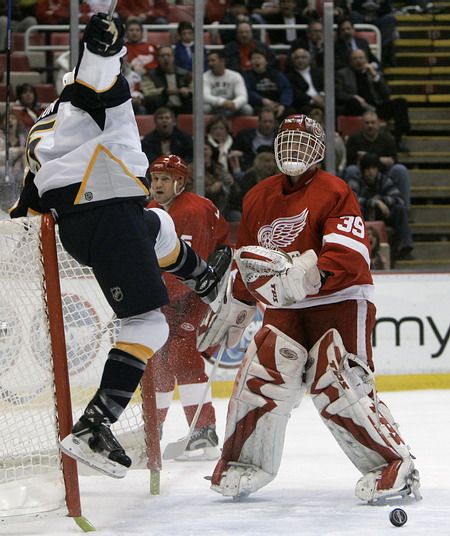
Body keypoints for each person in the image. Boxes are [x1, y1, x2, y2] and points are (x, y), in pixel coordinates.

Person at [9, 12, 231, 478]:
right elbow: (97, 71)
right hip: (106, 206)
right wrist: (100, 40)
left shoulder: (44, 128)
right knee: (149, 326)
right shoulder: (91, 96)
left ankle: (204, 280)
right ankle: (94, 425)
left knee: (159, 224)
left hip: (87, 223)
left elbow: (26, 207)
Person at [197, 113, 421, 503]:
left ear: (320, 151)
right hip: (285, 306)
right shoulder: (258, 195)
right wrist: (238, 301)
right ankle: (245, 462)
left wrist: (309, 275)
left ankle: (394, 465)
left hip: (340, 298)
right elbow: (250, 260)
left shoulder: (335, 191)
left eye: (304, 142)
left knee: (339, 383)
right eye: (287, 141)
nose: (294, 150)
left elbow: (351, 255)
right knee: (260, 376)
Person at [145, 154, 231, 460]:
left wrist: (151, 297)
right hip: (167, 296)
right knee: (159, 361)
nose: (157, 185)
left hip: (196, 294)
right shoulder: (152, 210)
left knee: (183, 354)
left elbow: (188, 269)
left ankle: (203, 431)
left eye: (164, 179)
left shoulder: (193, 209)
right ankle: (152, 431)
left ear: (179, 182)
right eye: (154, 179)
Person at [335, 48, 410, 150]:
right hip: (357, 107)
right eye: (355, 59)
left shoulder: (373, 72)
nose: (359, 61)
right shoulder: (343, 74)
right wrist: (354, 97)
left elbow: (386, 93)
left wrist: (375, 77)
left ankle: (398, 139)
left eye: (361, 58)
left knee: (401, 103)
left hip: (375, 107)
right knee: (353, 102)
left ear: (366, 59)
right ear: (351, 62)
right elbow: (338, 93)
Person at [348, 152, 414, 263]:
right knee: (356, 209)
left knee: (399, 209)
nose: (371, 172)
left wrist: (382, 201)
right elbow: (351, 200)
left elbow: (398, 199)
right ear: (363, 170)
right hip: (363, 215)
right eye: (368, 169)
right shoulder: (355, 180)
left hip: (382, 215)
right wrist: (374, 202)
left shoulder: (383, 179)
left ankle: (404, 248)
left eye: (373, 168)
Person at [343, 110, 411, 210]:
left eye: (373, 122)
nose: (370, 126)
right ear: (362, 124)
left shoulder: (387, 138)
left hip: (383, 174)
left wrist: (370, 157)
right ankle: (350, 209)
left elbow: (393, 160)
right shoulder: (354, 139)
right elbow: (350, 162)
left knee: (400, 170)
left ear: (378, 124)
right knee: (351, 170)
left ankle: (404, 210)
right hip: (362, 175)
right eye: (367, 123)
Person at [140, 45, 193, 115]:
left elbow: (195, 90)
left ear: (173, 57)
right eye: (162, 56)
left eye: (168, 55)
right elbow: (147, 92)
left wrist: (187, 92)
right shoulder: (150, 75)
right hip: (161, 108)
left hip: (182, 107)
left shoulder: (186, 74)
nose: (165, 58)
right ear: (157, 58)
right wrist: (164, 91)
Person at [243, 48, 294, 120]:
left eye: (259, 58)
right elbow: (247, 91)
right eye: (253, 58)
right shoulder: (247, 76)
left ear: (266, 61)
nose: (256, 60)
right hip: (259, 105)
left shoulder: (276, 74)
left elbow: (287, 89)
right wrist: (262, 100)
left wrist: (283, 105)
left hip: (277, 104)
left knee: (291, 112)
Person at [203, 49, 253, 117]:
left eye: (213, 60)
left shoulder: (235, 76)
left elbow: (243, 97)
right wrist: (223, 102)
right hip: (214, 106)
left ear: (222, 61)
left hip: (231, 107)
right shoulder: (204, 77)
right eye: (208, 61)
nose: (210, 63)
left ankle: (244, 128)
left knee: (247, 109)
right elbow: (205, 97)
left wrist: (234, 104)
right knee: (204, 108)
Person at [231, 106, 278, 171]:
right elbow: (234, 152)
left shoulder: (280, 138)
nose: (267, 124)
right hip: (249, 170)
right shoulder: (244, 135)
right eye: (265, 121)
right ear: (259, 122)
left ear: (275, 123)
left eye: (270, 122)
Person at [286, 47, 324, 114]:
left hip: (323, 100)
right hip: (305, 104)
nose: (300, 60)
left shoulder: (319, 72)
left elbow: (326, 86)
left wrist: (322, 96)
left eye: (303, 57)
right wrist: (313, 100)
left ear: (309, 59)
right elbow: (296, 94)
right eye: (297, 58)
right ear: (292, 61)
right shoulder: (289, 76)